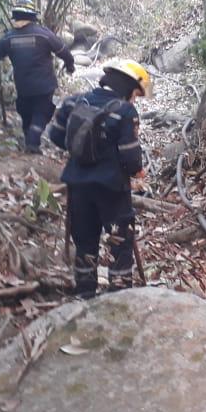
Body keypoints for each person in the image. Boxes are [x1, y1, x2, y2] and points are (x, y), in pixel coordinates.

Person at [49, 59, 150, 297]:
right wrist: (136, 171)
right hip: (111, 189)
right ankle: (119, 294)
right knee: (119, 240)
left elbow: (55, 136)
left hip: (77, 185)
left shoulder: (74, 102)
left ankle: (85, 293)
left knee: (84, 240)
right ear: (127, 87)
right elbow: (131, 158)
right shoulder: (125, 111)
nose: (134, 99)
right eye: (135, 94)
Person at [0, 0, 75, 153]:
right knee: (42, 112)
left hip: (23, 86)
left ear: (15, 16)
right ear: (33, 16)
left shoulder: (9, 37)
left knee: (26, 113)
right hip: (44, 86)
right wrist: (70, 65)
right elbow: (64, 52)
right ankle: (32, 143)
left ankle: (29, 140)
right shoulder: (44, 35)